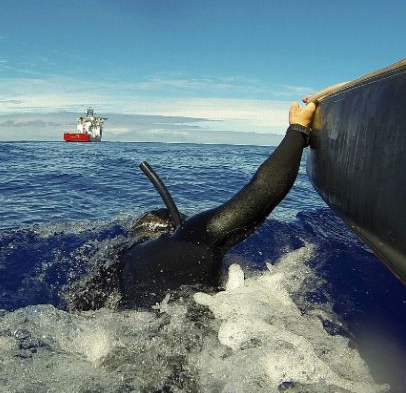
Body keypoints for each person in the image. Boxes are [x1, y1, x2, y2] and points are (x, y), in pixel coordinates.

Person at [70, 100, 316, 311]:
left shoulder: (113, 263)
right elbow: (261, 194)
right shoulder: (188, 238)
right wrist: (298, 129)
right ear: (173, 228)